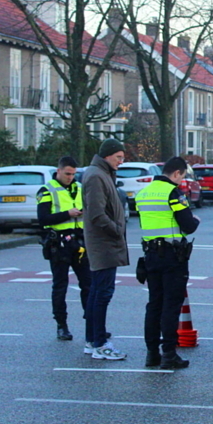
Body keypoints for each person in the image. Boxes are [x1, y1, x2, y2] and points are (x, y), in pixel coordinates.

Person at [136, 156, 200, 370]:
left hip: (150, 255)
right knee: (171, 306)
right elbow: (188, 225)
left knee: (154, 304)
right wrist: (195, 221)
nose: (181, 181)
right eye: (182, 177)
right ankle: (169, 355)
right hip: (172, 256)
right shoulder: (173, 193)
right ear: (176, 173)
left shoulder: (143, 193)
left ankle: (151, 353)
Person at [82, 138, 130, 361]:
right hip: (103, 244)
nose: (121, 161)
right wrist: (116, 230)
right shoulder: (96, 176)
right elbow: (96, 213)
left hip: (105, 243)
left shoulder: (102, 174)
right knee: (102, 293)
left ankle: (93, 339)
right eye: (118, 157)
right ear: (106, 156)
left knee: (97, 292)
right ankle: (99, 343)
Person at [36, 156, 90, 341]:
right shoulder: (47, 190)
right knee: (60, 286)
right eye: (67, 174)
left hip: (81, 242)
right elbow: (43, 219)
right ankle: (62, 325)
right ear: (58, 171)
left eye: (73, 174)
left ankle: (92, 323)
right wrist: (67, 214)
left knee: (88, 284)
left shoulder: (80, 188)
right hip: (59, 243)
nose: (70, 177)